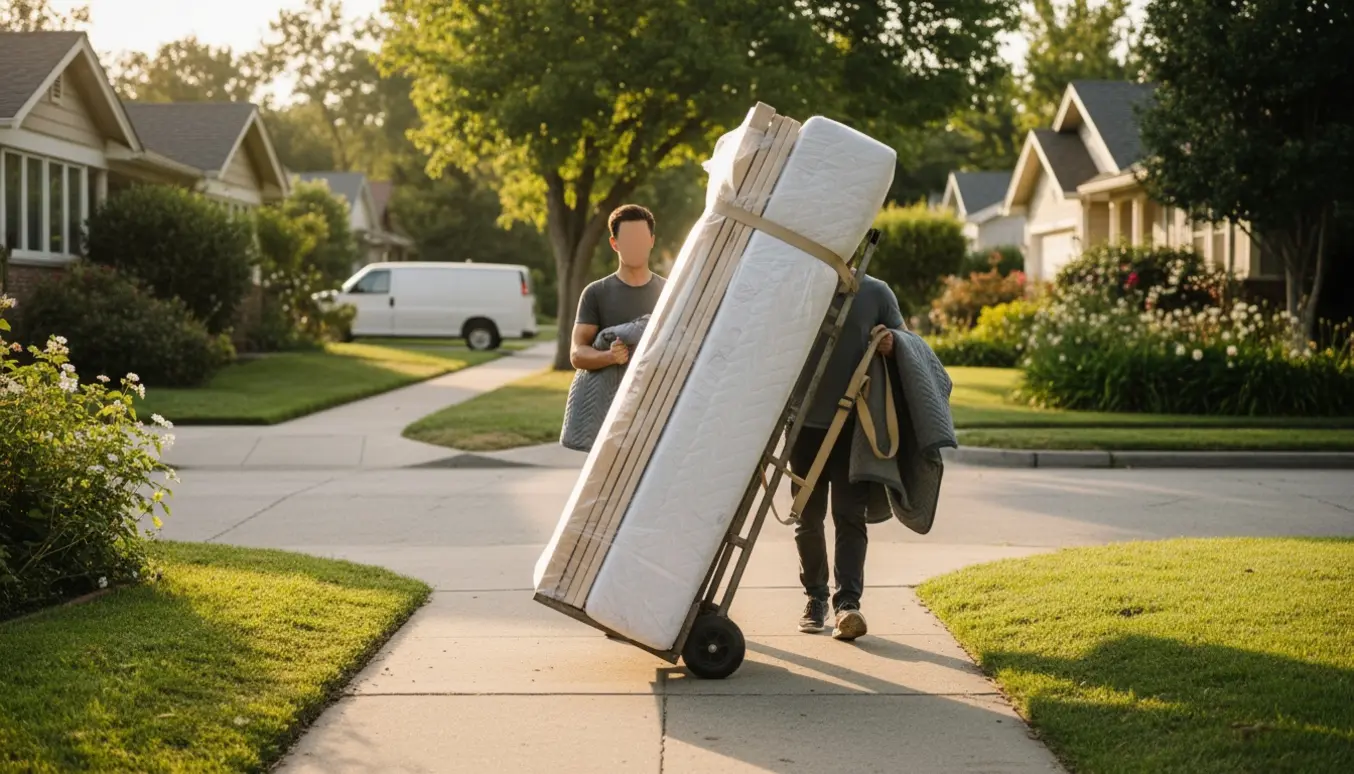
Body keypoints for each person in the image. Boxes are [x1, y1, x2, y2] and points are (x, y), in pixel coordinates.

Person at [791, 275, 904, 641]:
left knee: (849, 516)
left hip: (854, 425)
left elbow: (908, 343)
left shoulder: (876, 291)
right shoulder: (803, 282)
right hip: (803, 425)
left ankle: (848, 606)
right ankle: (815, 599)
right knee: (807, 517)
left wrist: (892, 344)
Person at [570, 204, 667, 371]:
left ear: (652, 241)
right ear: (614, 244)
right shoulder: (595, 293)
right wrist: (609, 356)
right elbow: (577, 354)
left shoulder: (669, 292)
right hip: (610, 396)